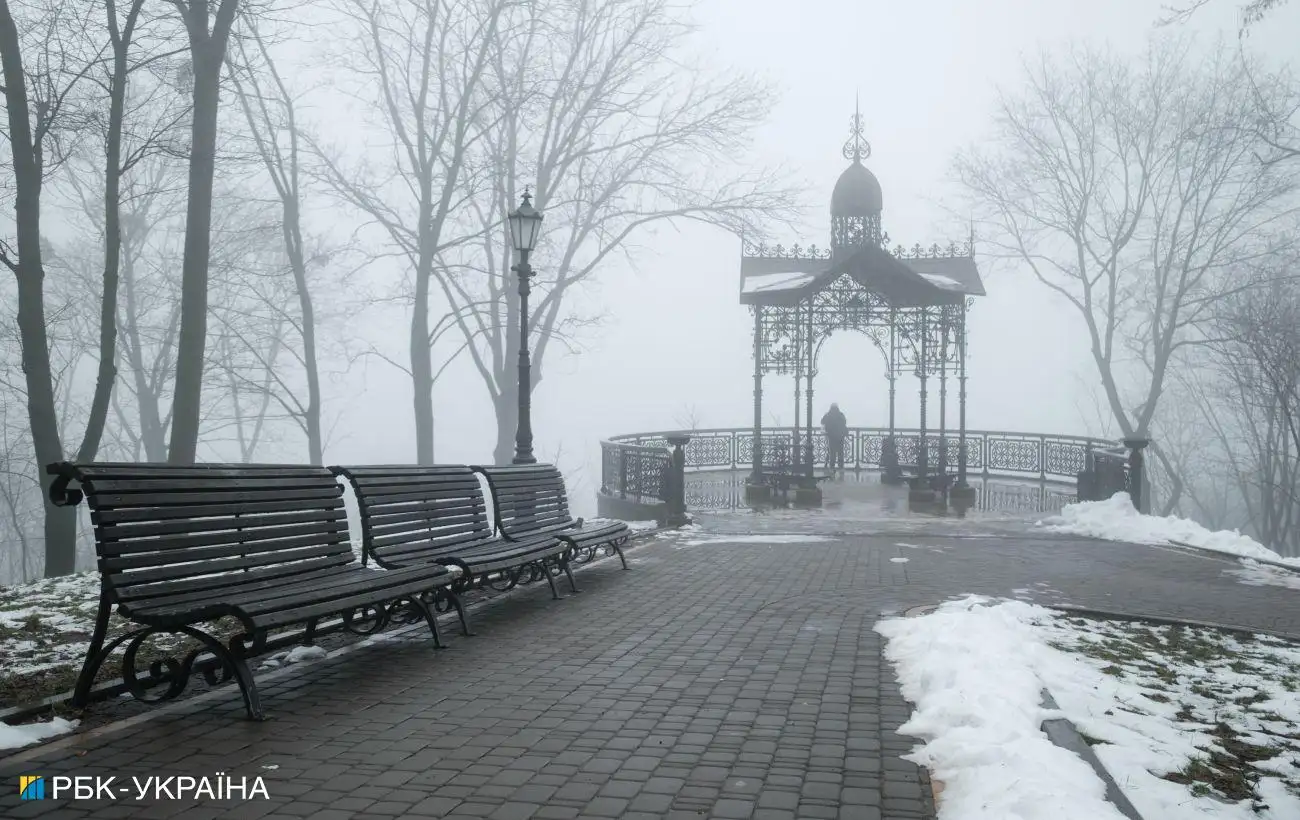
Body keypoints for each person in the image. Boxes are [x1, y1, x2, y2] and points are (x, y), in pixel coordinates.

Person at [821, 403, 847, 471]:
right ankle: (841, 466)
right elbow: (844, 422)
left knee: (832, 452)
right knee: (840, 452)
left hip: (831, 436)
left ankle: (832, 467)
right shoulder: (841, 414)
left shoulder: (828, 414)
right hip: (840, 436)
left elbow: (822, 422)